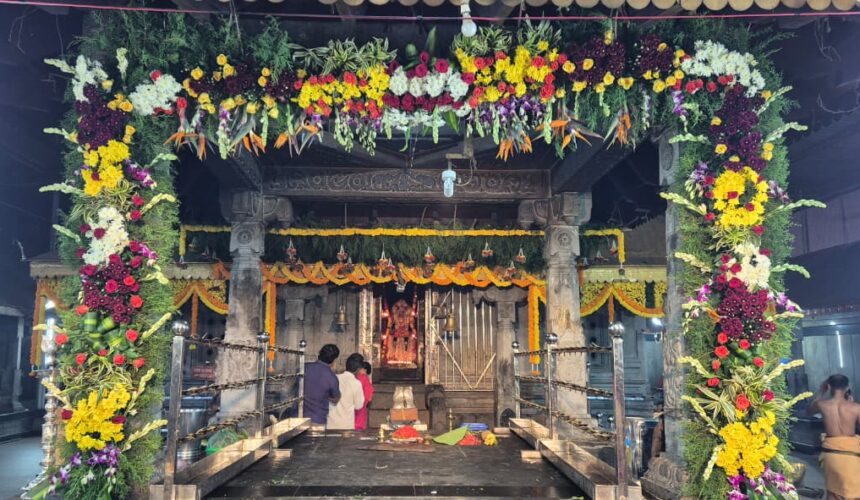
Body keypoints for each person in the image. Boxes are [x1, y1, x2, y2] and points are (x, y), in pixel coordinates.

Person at [807, 374, 860, 500]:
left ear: (829, 386)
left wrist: (821, 390)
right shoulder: (856, 407)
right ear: (847, 388)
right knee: (854, 491)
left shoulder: (822, 404)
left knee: (833, 491)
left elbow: (809, 410)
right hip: (852, 456)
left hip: (831, 455)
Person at [303, 344, 341, 426]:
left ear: (319, 354)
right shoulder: (331, 377)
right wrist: (325, 395)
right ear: (334, 360)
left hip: (298, 418)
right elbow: (335, 399)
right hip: (317, 420)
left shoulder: (304, 367)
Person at [327, 353, 365, 430]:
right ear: (358, 369)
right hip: (346, 425)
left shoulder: (335, 378)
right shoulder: (356, 383)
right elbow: (358, 406)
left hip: (330, 423)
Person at [355, 361, 375, 431]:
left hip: (359, 403)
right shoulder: (365, 378)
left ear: (365, 370)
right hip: (363, 404)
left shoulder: (361, 377)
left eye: (360, 368)